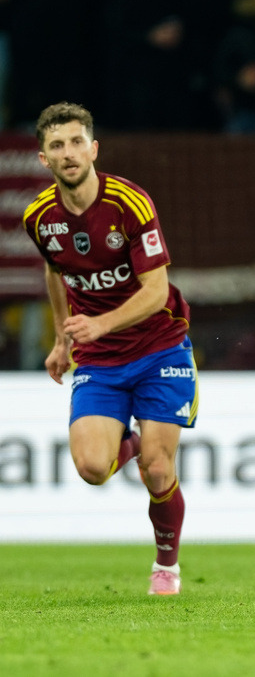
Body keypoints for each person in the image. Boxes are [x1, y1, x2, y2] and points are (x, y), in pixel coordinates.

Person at [22, 102, 196, 595]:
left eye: (77, 142)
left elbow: (156, 292)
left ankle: (167, 566)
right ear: (43, 159)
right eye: (57, 146)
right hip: (99, 360)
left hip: (160, 349)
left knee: (159, 471)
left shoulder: (129, 204)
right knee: (93, 469)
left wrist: (98, 324)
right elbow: (55, 270)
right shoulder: (39, 218)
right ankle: (137, 440)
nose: (69, 152)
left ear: (94, 148)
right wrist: (62, 337)